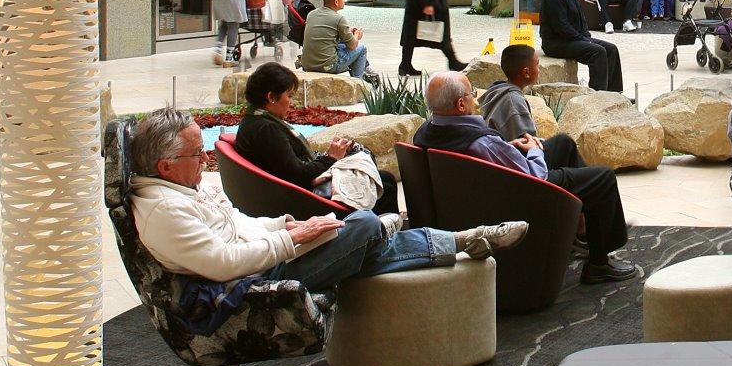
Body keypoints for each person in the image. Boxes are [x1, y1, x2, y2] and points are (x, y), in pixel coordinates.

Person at [128, 106, 524, 291]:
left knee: (366, 248)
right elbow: (222, 263)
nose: (203, 160)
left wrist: (286, 225)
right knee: (367, 223)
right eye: (195, 155)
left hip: (266, 257)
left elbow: (238, 224)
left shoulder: (185, 189)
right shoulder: (165, 211)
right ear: (164, 166)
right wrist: (291, 241)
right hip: (256, 283)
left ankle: (460, 240)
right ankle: (449, 238)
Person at [428, 57, 639, 285]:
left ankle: (582, 233)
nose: (475, 100)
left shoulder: (429, 132)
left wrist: (508, 148)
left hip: (486, 189)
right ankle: (599, 263)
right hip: (522, 196)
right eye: (472, 94)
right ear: (460, 105)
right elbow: (536, 177)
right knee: (602, 177)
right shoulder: (480, 142)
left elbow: (483, 157)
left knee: (562, 144)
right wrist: (534, 150)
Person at [233, 61, 376, 203]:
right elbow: (298, 175)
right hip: (298, 199)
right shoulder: (267, 130)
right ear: (271, 97)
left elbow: (289, 166)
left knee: (375, 175)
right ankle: (378, 224)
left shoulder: (253, 119)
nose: (291, 102)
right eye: (289, 96)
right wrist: (331, 158)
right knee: (379, 180)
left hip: (282, 190)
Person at [540, 0, 622, 91]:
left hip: (573, 38)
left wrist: (586, 36)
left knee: (611, 49)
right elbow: (561, 27)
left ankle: (614, 94)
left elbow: (581, 19)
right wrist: (584, 39)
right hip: (557, 42)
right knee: (598, 52)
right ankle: (598, 96)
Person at [300, 0, 374, 79]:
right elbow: (353, 45)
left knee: (342, 44)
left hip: (307, 64)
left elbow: (327, 34)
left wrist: (347, 33)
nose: (344, 0)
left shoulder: (311, 14)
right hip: (327, 67)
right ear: (336, 2)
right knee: (361, 48)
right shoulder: (339, 19)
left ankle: (365, 71)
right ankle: (358, 83)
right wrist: (356, 35)